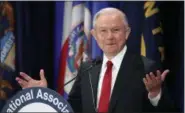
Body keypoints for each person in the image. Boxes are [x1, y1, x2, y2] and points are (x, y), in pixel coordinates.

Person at [16, 8, 174, 113]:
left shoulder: (147, 68)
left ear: (127, 33)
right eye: (103, 31)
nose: (109, 36)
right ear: (94, 34)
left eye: (116, 30)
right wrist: (44, 94)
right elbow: (70, 109)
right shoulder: (87, 69)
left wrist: (155, 95)